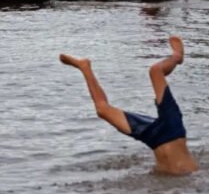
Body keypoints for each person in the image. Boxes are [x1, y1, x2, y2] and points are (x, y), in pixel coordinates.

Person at [59, 36, 198, 175]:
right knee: (155, 70)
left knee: (102, 110)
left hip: (154, 138)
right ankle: (177, 57)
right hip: (172, 127)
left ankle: (84, 67)